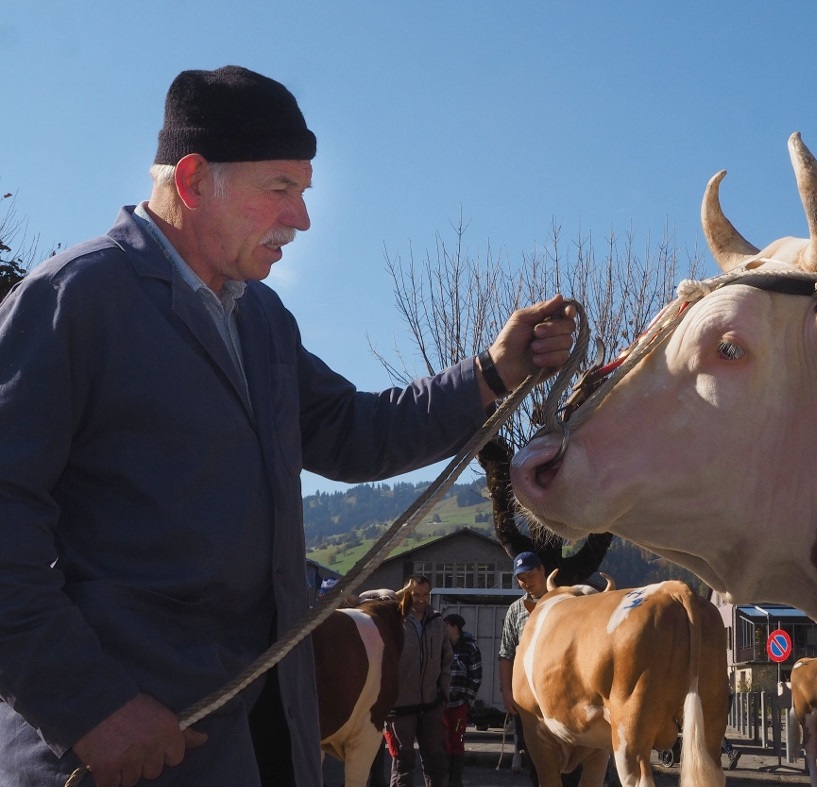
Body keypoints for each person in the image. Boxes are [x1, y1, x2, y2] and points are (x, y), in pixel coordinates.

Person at [0, 65, 576, 787]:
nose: (302, 219)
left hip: (264, 744)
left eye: (304, 193)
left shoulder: (262, 319)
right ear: (192, 180)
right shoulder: (69, 300)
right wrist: (87, 705)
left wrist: (490, 372)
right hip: (107, 753)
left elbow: (351, 430)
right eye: (282, 189)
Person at [383, 576, 452, 787]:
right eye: (416, 595)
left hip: (431, 704)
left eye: (425, 594)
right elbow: (384, 664)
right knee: (403, 761)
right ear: (406, 595)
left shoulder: (437, 622)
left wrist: (443, 696)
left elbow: (446, 661)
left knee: (435, 761)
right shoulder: (395, 622)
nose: (422, 600)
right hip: (400, 707)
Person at [498, 551, 548, 787]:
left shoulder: (564, 600)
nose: (526, 581)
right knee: (534, 757)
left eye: (530, 574)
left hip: (559, 693)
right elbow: (506, 654)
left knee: (570, 758)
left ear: (542, 571)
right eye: (521, 577)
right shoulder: (515, 610)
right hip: (527, 699)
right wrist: (507, 693)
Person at [442, 613, 482, 786]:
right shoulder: (441, 646)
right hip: (441, 704)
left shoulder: (470, 648)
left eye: (446, 625)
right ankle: (443, 778)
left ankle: (455, 780)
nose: (443, 629)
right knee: (441, 740)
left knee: (457, 739)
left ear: (455, 627)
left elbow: (476, 676)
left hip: (459, 706)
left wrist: (468, 698)